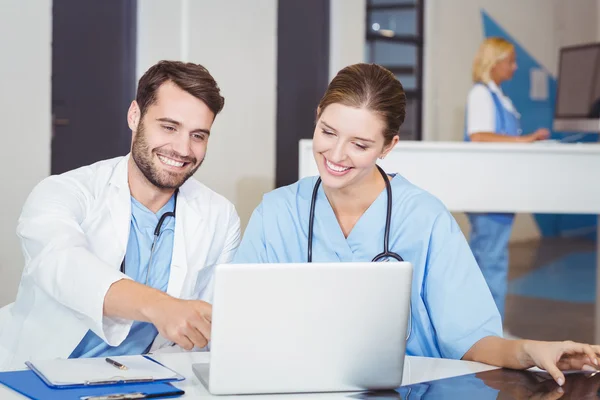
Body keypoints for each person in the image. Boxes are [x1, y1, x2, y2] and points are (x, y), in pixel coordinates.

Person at [233, 62, 599, 386]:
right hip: (294, 388)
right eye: (328, 132)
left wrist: (531, 350)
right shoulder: (277, 212)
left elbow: (471, 338)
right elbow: (237, 323)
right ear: (317, 117)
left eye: (360, 144)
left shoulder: (425, 218)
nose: (336, 154)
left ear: (388, 146)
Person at [0, 61, 240, 370]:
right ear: (134, 116)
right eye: (169, 127)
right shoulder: (63, 192)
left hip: (149, 377)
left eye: (198, 135)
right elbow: (63, 265)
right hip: (43, 371)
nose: (182, 148)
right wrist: (160, 307)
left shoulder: (220, 216)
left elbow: (204, 326)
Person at [465, 37, 550, 321]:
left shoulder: (499, 97)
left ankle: (486, 330)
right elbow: (479, 136)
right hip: (489, 192)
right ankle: (489, 334)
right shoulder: (481, 95)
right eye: (510, 61)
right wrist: (525, 140)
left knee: (490, 258)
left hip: (499, 191)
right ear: (495, 61)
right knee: (491, 261)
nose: (514, 68)